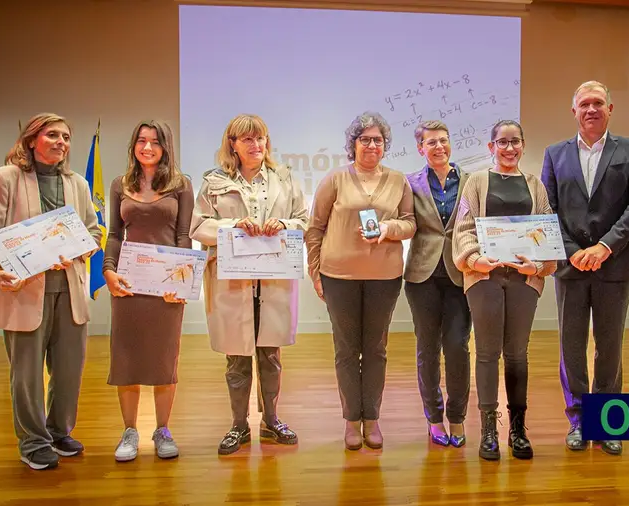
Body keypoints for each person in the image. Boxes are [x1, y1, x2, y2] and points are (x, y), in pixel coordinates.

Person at [0, 113, 102, 470]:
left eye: (66, 136)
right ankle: (32, 442)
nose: (61, 142)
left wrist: (80, 248)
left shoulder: (77, 182)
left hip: (70, 290)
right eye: (52, 135)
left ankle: (59, 432)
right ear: (32, 140)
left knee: (68, 370)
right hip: (24, 291)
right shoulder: (5, 178)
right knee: (27, 374)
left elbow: (93, 232)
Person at [541, 81, 629, 456]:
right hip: (571, 267)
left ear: (610, 108)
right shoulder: (554, 154)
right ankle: (578, 421)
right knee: (571, 346)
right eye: (584, 104)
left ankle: (608, 422)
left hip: (615, 263)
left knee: (609, 346)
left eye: (598, 103)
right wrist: (573, 251)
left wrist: (605, 247)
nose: (591, 109)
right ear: (574, 111)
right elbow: (547, 209)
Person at [191, 114, 309, 455]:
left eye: (261, 139)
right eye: (247, 140)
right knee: (237, 357)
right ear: (233, 144)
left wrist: (282, 223)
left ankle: (271, 420)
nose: (256, 145)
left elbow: (303, 220)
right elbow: (198, 226)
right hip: (233, 282)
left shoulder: (284, 178)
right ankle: (239, 425)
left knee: (270, 354)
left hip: (273, 280)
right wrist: (231, 226)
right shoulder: (214, 181)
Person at [305, 111, 416, 451]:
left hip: (384, 277)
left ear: (385, 146)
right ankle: (352, 420)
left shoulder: (399, 181)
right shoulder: (335, 179)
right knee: (346, 350)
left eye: (377, 140)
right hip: (339, 277)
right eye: (364, 139)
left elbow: (410, 222)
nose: (371, 145)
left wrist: (388, 229)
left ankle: (373, 418)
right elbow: (315, 228)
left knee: (376, 350)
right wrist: (315, 271)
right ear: (353, 144)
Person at [452, 119, 557, 461]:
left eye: (515, 142)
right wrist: (475, 259)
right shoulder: (477, 183)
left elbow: (547, 230)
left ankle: (517, 429)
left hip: (524, 280)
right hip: (485, 279)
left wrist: (539, 266)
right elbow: (464, 228)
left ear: (523, 145)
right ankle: (487, 431)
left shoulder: (535, 184)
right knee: (486, 353)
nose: (509, 148)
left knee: (516, 354)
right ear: (491, 147)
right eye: (502, 142)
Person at [103, 120, 194, 462]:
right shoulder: (119, 184)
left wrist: (182, 282)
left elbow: (183, 236)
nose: (147, 147)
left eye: (155, 142)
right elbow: (113, 234)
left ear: (165, 147)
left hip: (167, 287)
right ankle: (129, 431)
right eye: (141, 140)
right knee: (126, 359)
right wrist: (108, 271)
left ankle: (162, 430)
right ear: (134, 145)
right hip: (128, 284)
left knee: (163, 359)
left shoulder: (181, 185)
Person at [403, 120, 471, 448]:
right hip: (421, 276)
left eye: (443, 140)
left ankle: (457, 417)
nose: (439, 147)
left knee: (458, 346)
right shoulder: (409, 183)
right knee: (427, 349)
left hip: (461, 273)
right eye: (431, 143)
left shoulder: (471, 181)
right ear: (420, 148)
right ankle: (433, 418)